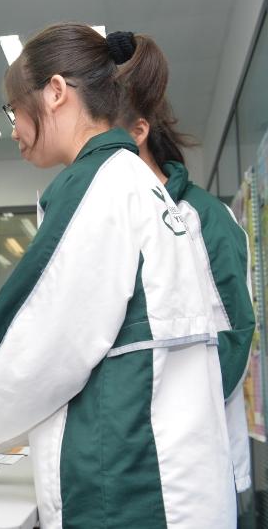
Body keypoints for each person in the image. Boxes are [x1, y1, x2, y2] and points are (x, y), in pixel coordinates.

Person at [0, 25, 236, 528]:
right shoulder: (143, 183)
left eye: (12, 108)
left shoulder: (96, 185)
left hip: (132, 491)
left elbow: (32, 358)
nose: (12, 128)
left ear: (55, 92)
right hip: (177, 481)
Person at [116, 33, 255, 493]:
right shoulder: (113, 217)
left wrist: (152, 424)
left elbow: (232, 340)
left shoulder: (201, 218)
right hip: (132, 460)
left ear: (138, 133)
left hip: (196, 462)